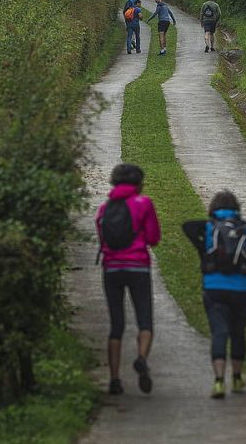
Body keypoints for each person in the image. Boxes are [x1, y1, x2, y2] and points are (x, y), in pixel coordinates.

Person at [183, 191, 246, 399]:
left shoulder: (209, 228)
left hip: (214, 287)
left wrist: (205, 246)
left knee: (219, 332)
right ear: (237, 208)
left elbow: (187, 226)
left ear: (213, 209)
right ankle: (237, 378)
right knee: (238, 332)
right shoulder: (244, 228)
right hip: (241, 289)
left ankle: (219, 380)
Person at [95, 163, 161, 395]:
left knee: (116, 324)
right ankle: (141, 358)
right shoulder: (143, 204)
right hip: (138, 267)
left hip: (111, 268)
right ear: (138, 183)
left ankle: (114, 379)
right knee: (145, 320)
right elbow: (153, 238)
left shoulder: (105, 208)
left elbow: (102, 239)